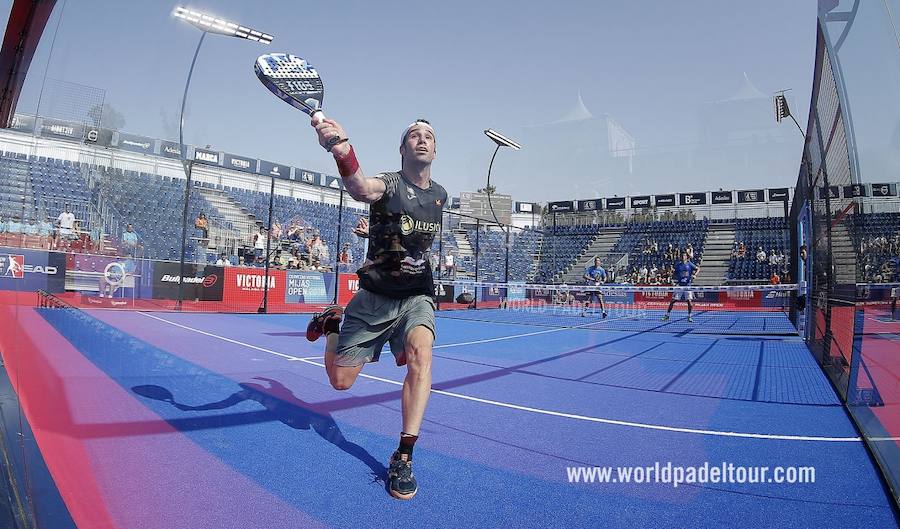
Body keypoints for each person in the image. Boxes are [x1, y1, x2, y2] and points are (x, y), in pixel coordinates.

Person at [305, 118, 446, 500]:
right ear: (403, 149)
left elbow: (413, 235)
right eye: (414, 135)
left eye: (429, 136)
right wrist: (341, 149)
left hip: (416, 295)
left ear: (435, 150)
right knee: (340, 382)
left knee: (422, 353)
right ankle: (333, 323)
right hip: (373, 300)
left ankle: (405, 454)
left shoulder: (440, 195)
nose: (422, 139)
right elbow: (360, 188)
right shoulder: (390, 181)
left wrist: (382, 233)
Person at [663, 252, 700, 323]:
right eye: (682, 256)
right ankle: (667, 315)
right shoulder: (678, 265)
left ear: (687, 257)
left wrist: (695, 275)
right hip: (680, 285)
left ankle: (689, 316)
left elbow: (698, 269)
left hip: (688, 285)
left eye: (684, 255)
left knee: (689, 301)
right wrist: (671, 275)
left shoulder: (689, 264)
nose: (683, 257)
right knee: (673, 301)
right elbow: (674, 274)